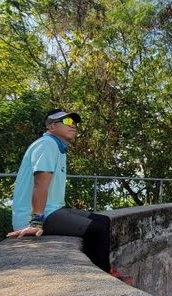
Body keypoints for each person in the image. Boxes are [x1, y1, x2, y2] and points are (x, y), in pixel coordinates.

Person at [6, 109, 112, 273]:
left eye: (75, 123)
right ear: (51, 126)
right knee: (98, 231)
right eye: (68, 122)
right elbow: (39, 185)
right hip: (38, 215)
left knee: (104, 221)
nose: (74, 126)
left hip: (52, 210)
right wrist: (35, 222)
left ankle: (101, 269)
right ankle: (102, 276)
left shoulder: (57, 147)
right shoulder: (47, 145)